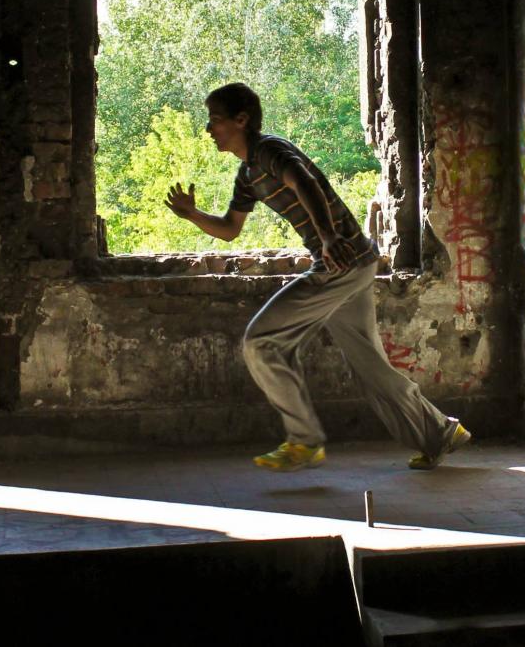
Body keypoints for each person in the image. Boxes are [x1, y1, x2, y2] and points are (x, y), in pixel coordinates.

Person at [164, 82, 470, 472]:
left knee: (261, 341)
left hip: (339, 264)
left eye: (215, 120)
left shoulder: (270, 151)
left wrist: (326, 237)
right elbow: (229, 229)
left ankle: (304, 440)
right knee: (370, 367)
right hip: (356, 262)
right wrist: (192, 214)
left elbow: (303, 181)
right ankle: (441, 431)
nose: (209, 129)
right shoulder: (248, 174)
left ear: (241, 120)